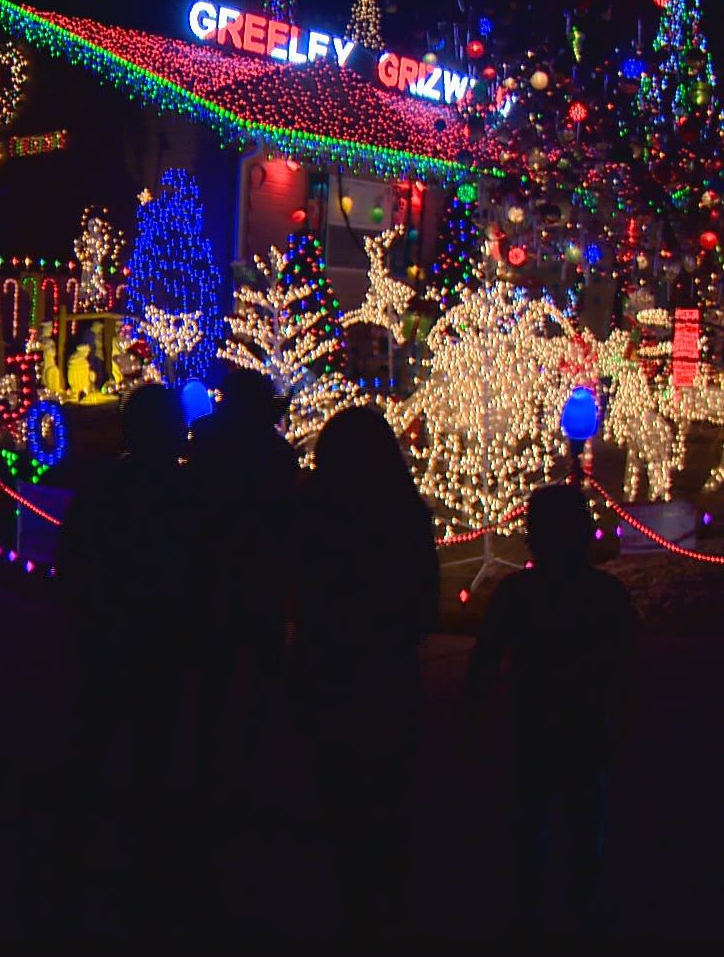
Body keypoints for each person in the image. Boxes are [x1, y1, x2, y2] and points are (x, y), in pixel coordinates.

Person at [293, 406, 439, 938]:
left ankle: (347, 897)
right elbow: (424, 601)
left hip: (329, 663)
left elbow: (295, 582)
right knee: (385, 789)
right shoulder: (401, 513)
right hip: (384, 667)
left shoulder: (314, 510)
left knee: (337, 789)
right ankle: (384, 900)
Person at [467, 484, 636, 936]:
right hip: (579, 724)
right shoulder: (605, 594)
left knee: (533, 819)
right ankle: (577, 910)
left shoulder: (517, 593)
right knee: (577, 822)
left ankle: (535, 910)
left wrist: (474, 718)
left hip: (535, 723)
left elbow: (485, 659)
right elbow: (627, 666)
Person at [55, 385, 199, 870]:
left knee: (97, 735)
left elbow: (71, 558)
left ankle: (79, 840)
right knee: (150, 741)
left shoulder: (103, 487)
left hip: (111, 632)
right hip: (156, 635)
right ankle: (143, 847)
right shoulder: (184, 493)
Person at [186, 369, 298, 786]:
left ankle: (210, 766)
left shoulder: (208, 447)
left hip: (218, 576)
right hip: (255, 579)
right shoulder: (275, 454)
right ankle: (252, 766)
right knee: (254, 677)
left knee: (217, 678)